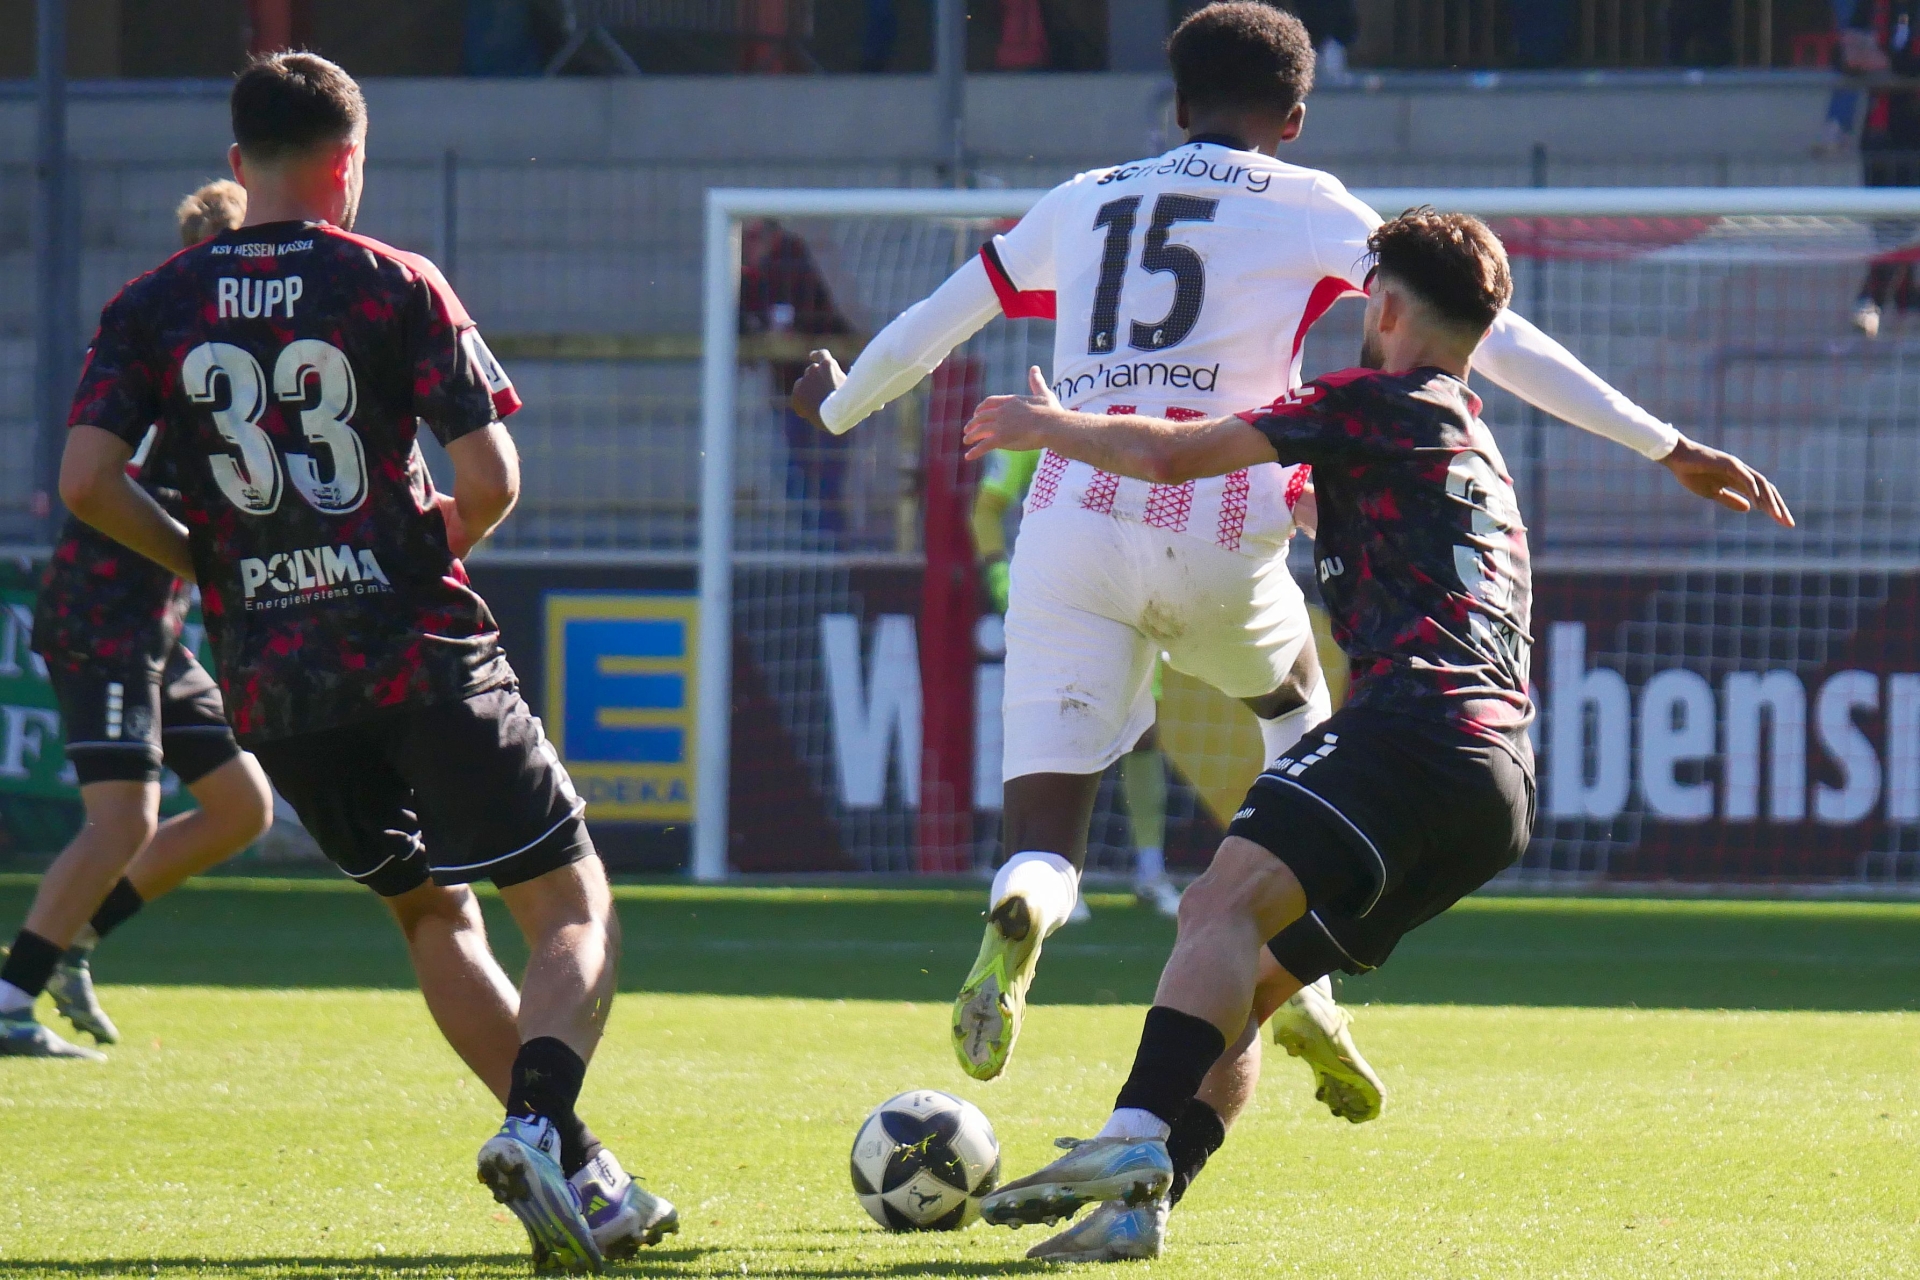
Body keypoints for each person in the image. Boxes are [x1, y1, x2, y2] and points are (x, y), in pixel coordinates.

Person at [791, 1, 1731, 1122]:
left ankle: (1026, 904)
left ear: (1178, 103)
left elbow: (933, 321)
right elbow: (1486, 330)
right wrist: (1662, 443)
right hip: (1218, 510)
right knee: (1297, 712)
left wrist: (840, 405)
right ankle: (1305, 991)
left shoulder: (1079, 200)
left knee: (1045, 825)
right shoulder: (1309, 201)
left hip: (1071, 510)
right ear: (1294, 118)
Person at [962, 208, 1793, 1262]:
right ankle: (1141, 1205)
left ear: (1388, 306)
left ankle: (1131, 1134)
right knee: (1245, 981)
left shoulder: (1368, 400)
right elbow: (1337, 514)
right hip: (1499, 788)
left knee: (1215, 906)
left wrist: (1054, 428)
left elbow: (1174, 460)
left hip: (1413, 727)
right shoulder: (1468, 441)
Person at [54, 52, 674, 1271]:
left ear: (239, 163)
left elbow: (85, 480)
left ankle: (583, 1175)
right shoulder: (392, 279)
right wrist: (413, 541)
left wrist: (212, 561)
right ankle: (538, 1125)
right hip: (415, 652)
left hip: (276, 682)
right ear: (348, 164)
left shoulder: (152, 302)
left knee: (430, 909)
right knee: (570, 903)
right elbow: (490, 478)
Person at [0, 180, 275, 1062]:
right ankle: (10, 997)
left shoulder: (217, 352)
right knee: (123, 822)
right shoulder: (178, 350)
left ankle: (73, 939)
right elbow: (110, 481)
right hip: (105, 618)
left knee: (241, 807)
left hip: (152, 625)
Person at [972, 446, 1179, 919]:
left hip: (1130, 595)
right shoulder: (1034, 424)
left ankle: (1151, 872)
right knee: (1062, 731)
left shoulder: (1131, 419)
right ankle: (1049, 870)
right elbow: (986, 509)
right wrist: (1000, 575)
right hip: (1060, 600)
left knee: (1144, 734)